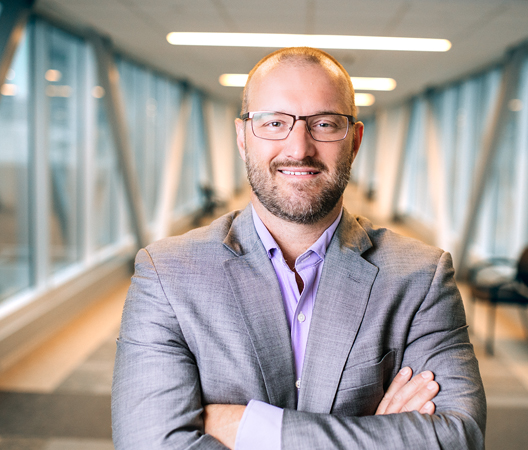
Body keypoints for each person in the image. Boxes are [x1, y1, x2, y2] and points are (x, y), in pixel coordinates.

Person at [112, 47, 486, 449]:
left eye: (324, 124)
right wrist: (379, 435)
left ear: (355, 141)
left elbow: (457, 438)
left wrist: (246, 429)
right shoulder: (167, 273)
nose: (298, 148)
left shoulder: (421, 277)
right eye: (274, 123)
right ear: (242, 138)